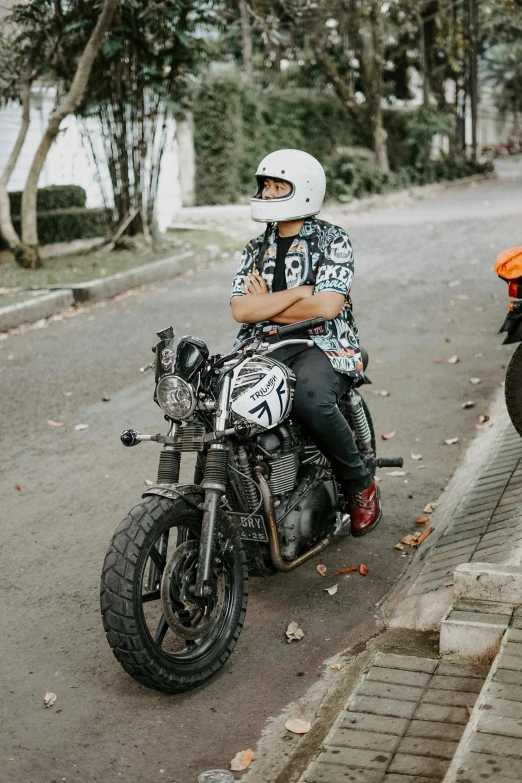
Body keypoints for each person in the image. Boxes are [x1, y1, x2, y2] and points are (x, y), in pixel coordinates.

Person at [230, 149, 381, 536]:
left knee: (311, 399)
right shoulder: (253, 249)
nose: (265, 193)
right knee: (219, 404)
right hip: (261, 346)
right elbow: (241, 311)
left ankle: (359, 485)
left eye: (277, 186)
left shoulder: (334, 240)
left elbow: (327, 307)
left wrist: (265, 303)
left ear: (305, 190)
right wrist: (300, 292)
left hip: (322, 345)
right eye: (264, 186)